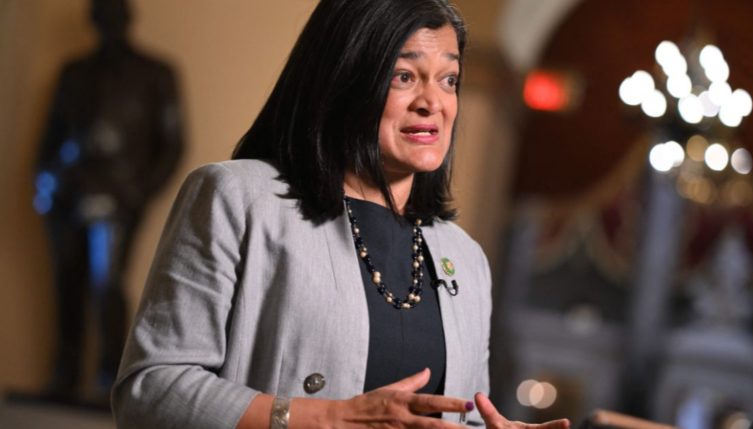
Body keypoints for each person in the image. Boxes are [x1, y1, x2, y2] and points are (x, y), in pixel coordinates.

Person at [112, 1, 569, 428]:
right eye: (404, 76)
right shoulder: (235, 198)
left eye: (449, 79)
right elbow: (150, 389)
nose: (433, 102)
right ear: (345, 78)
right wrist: (324, 417)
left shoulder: (465, 259)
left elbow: (460, 413)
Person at [35, 0, 183, 398]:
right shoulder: (74, 72)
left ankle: (108, 379)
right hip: (68, 190)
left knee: (107, 283)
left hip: (119, 194)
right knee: (66, 283)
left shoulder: (155, 74)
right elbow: (51, 135)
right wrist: (45, 183)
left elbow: (172, 146)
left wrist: (137, 193)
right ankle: (64, 374)